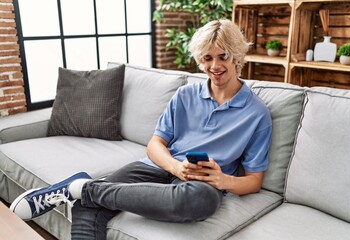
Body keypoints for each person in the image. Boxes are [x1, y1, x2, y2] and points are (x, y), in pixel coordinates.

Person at [10, 19, 272, 240]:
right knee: (87, 206)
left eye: (223, 57)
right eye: (207, 58)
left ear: (237, 56)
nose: (215, 66)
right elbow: (155, 144)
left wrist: (222, 180)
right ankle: (84, 191)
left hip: (201, 185)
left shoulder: (256, 113)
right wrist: (174, 167)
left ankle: (82, 187)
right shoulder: (185, 95)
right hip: (159, 166)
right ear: (200, 60)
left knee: (201, 202)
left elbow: (254, 181)